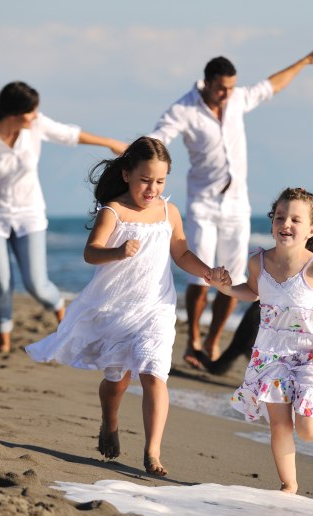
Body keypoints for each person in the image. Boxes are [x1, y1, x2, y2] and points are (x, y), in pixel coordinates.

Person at [26, 137, 220, 477]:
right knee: (117, 380)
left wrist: (207, 272)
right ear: (128, 174)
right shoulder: (113, 211)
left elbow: (182, 253)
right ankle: (109, 421)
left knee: (154, 373)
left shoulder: (169, 212)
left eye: (160, 181)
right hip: (116, 308)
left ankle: (152, 453)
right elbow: (91, 252)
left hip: (156, 309)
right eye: (145, 180)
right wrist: (117, 252)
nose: (152, 188)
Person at [149, 49, 313, 368]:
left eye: (231, 87)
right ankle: (194, 337)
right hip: (203, 202)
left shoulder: (237, 100)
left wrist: (303, 62)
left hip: (235, 204)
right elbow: (158, 140)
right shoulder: (184, 109)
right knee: (201, 272)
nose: (226, 94)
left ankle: (214, 340)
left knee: (232, 277)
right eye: (220, 88)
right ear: (206, 84)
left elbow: (272, 85)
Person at [0, 81, 127, 353]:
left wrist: (109, 143)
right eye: (31, 111)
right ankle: (3, 341)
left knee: (36, 283)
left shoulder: (35, 126)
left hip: (29, 214)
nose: (36, 115)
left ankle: (58, 308)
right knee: (2, 282)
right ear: (14, 113)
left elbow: (69, 134)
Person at [209, 187, 313, 493]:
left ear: (311, 231)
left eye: (295, 219)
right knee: (279, 424)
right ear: (272, 222)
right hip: (271, 352)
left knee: (306, 428)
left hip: (310, 353)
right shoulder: (258, 262)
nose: (285, 223)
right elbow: (252, 292)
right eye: (280, 217)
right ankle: (289, 485)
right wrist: (226, 289)